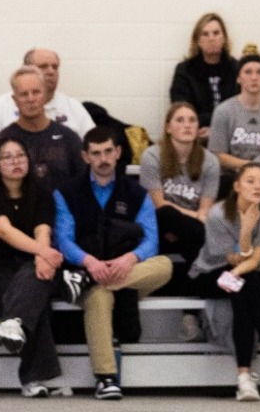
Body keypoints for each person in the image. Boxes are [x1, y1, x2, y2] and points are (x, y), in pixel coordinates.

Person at [53, 125, 173, 400]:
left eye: (108, 151)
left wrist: (129, 259)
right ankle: (106, 378)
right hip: (84, 269)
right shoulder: (66, 193)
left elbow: (151, 241)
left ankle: (91, 282)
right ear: (85, 157)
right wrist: (89, 263)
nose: (103, 159)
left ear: (118, 152)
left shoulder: (138, 194)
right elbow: (63, 240)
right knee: (99, 296)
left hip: (125, 272)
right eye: (96, 153)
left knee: (164, 264)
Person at [191, 162, 260, 400]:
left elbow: (255, 259)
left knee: (243, 288)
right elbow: (233, 259)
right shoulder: (218, 214)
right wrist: (245, 231)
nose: (257, 187)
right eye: (250, 181)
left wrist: (236, 274)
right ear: (237, 186)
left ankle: (244, 377)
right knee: (245, 282)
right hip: (210, 273)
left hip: (242, 273)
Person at [0, 136, 70, 397]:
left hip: (30, 264)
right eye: (7, 157)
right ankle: (35, 376)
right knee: (33, 299)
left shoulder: (41, 192)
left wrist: (41, 257)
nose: (15, 161)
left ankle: (13, 326)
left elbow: (43, 229)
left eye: (20, 155)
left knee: (34, 281)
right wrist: (44, 253)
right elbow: (4, 231)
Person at [141, 102, 220, 296]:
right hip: (159, 226)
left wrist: (185, 225)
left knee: (194, 243)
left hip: (189, 233)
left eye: (192, 120)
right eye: (180, 120)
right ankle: (221, 271)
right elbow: (158, 204)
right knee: (167, 213)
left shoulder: (210, 161)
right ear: (168, 128)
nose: (187, 125)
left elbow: (205, 209)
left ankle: (216, 282)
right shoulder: (152, 156)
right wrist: (192, 216)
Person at [0, 65, 85, 193]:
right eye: (24, 94)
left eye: (36, 92)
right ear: (14, 100)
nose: (31, 99)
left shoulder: (68, 138)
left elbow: (82, 184)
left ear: (45, 95)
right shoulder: (2, 142)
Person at [0, 47, 95, 148]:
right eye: (43, 66)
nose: (51, 71)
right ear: (26, 69)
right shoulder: (1, 106)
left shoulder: (73, 107)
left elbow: (94, 148)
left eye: (55, 67)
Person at [170, 13, 239, 142]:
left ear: (224, 38)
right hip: (195, 137)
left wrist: (216, 131)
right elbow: (181, 110)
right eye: (205, 34)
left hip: (232, 136)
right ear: (197, 41)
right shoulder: (185, 71)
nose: (211, 38)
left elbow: (241, 110)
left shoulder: (237, 69)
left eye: (216, 33)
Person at [209, 53, 260, 172]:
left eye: (259, 72)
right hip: (232, 176)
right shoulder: (223, 111)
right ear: (238, 78)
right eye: (248, 72)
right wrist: (251, 166)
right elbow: (217, 155)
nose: (254, 77)